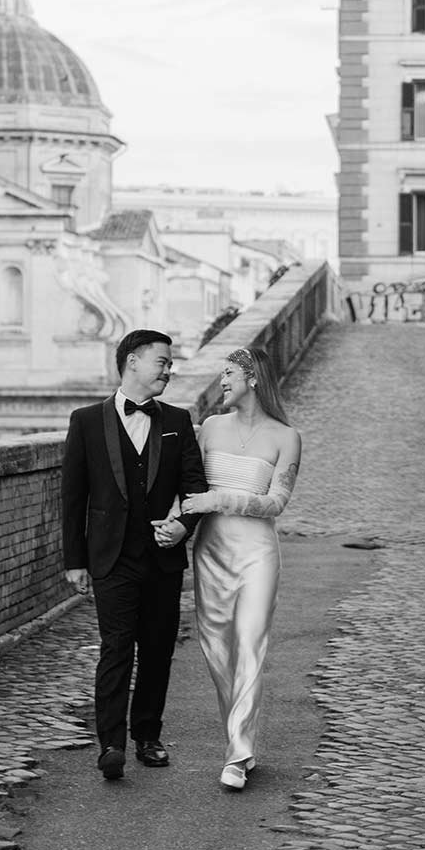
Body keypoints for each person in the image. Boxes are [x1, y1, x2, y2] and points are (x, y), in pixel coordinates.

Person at [62, 328, 208, 780]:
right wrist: (74, 560)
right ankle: (110, 744)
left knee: (159, 650)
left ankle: (148, 736)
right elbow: (73, 496)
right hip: (110, 558)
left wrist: (183, 525)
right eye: (163, 361)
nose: (170, 369)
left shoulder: (178, 421)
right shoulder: (86, 420)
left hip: (162, 560)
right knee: (116, 649)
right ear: (132, 363)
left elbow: (195, 490)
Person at [175, 345, 302, 790]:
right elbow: (185, 487)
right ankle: (240, 738)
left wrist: (221, 499)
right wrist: (175, 522)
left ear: (253, 377)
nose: (222, 382)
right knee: (215, 651)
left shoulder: (286, 438)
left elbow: (276, 503)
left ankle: (238, 752)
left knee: (250, 645)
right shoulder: (209, 428)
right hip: (210, 551)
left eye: (228, 373)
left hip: (257, 555)